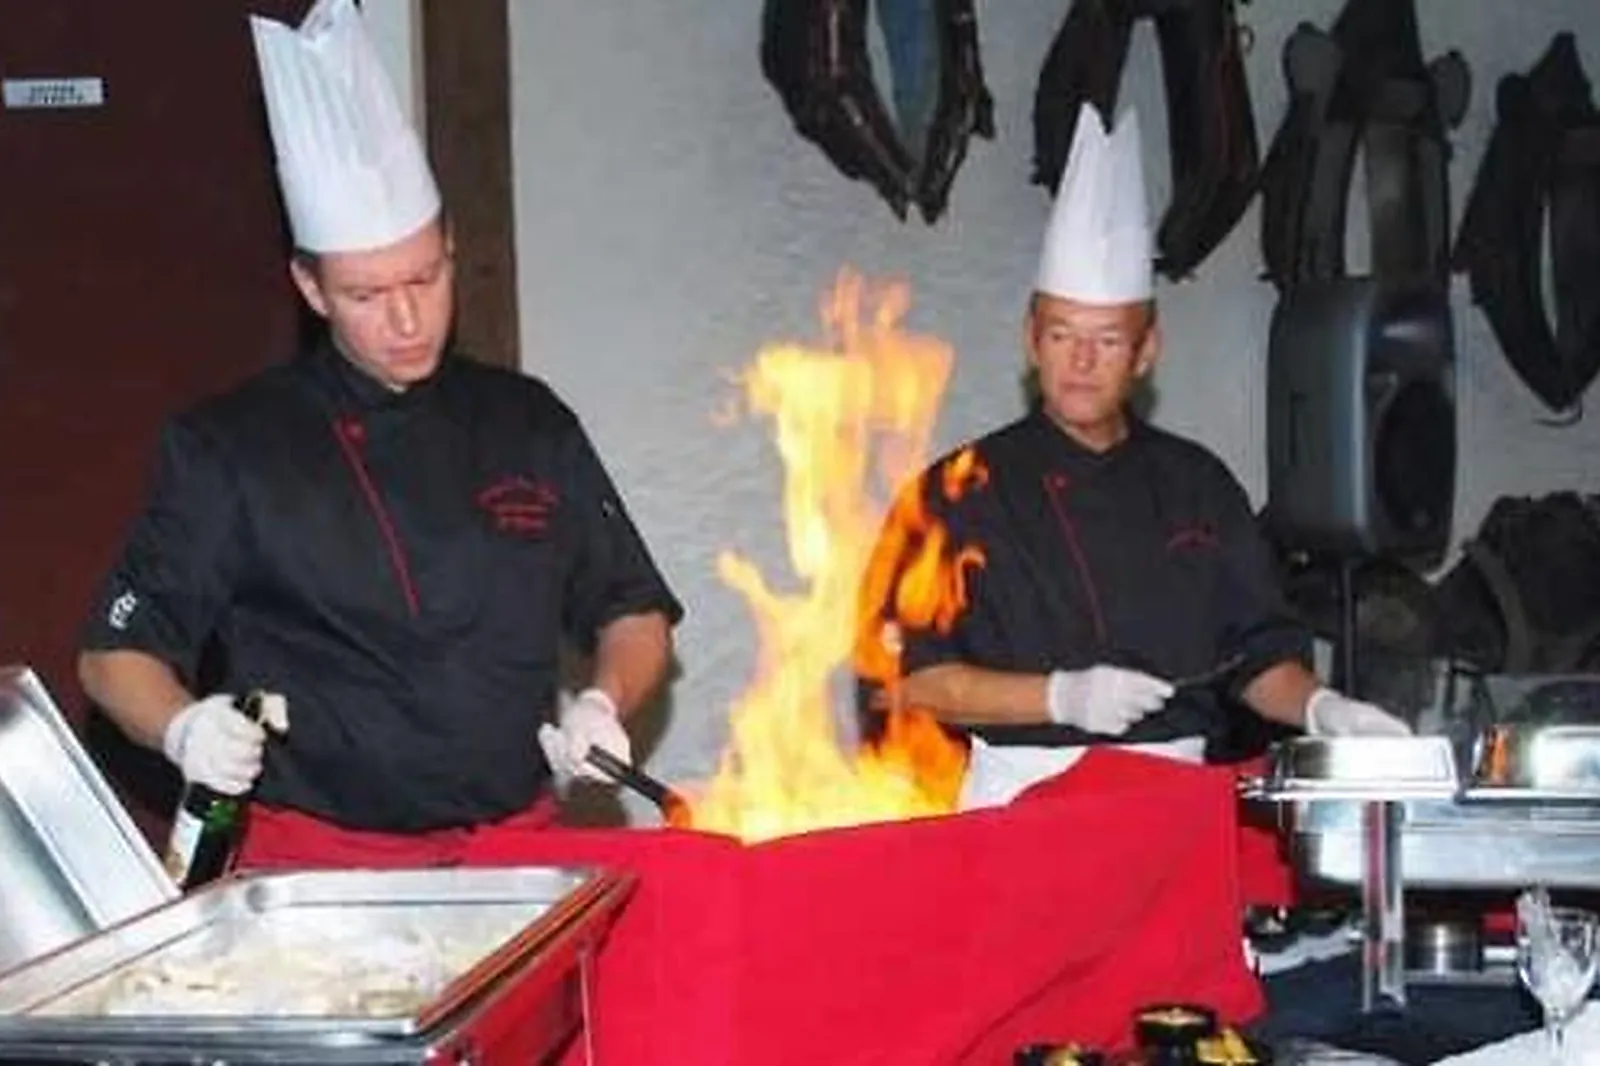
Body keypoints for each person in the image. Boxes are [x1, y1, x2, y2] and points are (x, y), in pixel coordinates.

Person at [77, 0, 681, 867]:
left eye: (425, 278)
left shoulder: (529, 421)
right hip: (320, 865)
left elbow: (633, 608)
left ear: (450, 249)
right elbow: (113, 658)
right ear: (311, 289)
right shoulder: (231, 448)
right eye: (366, 295)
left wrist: (604, 702)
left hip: (514, 853)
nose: (406, 320)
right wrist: (182, 728)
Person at [865, 104, 1410, 810]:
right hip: (1021, 812)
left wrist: (1323, 709)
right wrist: (1060, 697)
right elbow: (905, 681)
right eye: (1062, 335)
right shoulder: (956, 492)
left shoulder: (1198, 485)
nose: (1081, 361)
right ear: (1031, 340)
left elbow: (1257, 660)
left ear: (1147, 351)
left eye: (1108, 340)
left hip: (1180, 809)